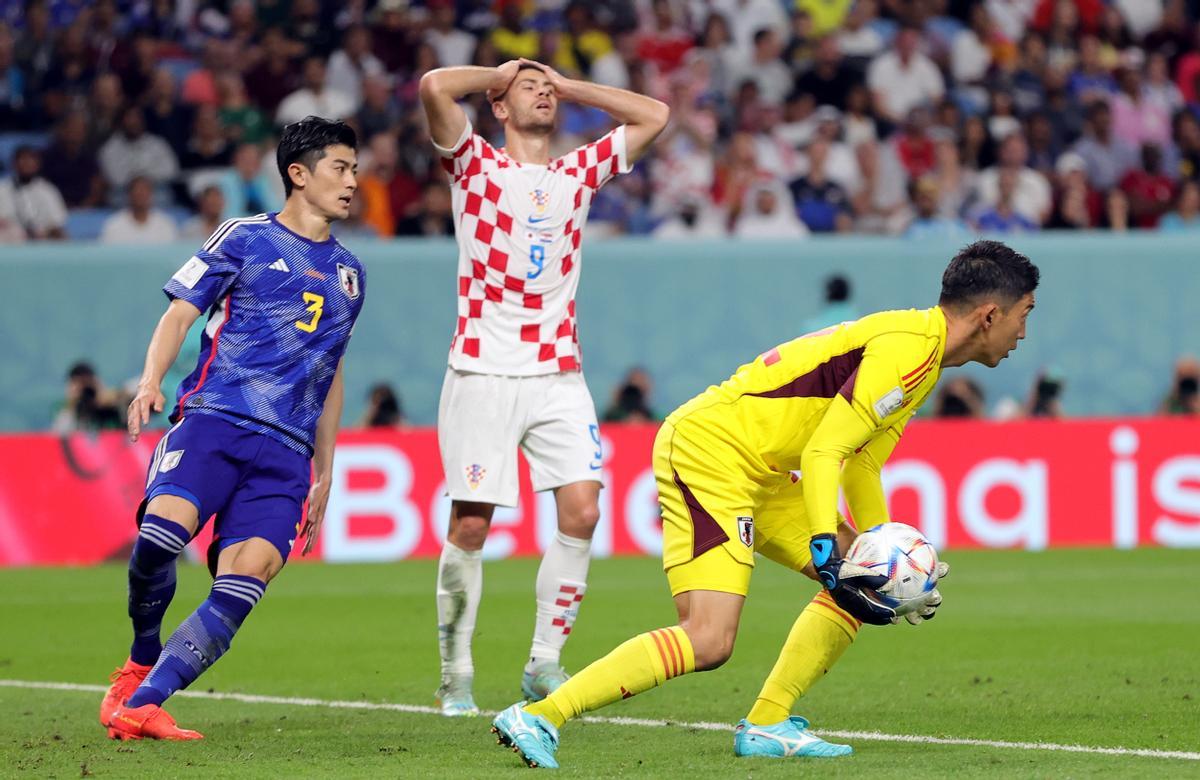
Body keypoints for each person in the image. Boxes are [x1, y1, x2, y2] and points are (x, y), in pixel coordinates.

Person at [490, 240, 1039, 768]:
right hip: (712, 451)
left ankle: (769, 723)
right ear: (989, 315)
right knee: (708, 639)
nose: (1023, 331)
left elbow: (861, 465)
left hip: (767, 469)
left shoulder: (925, 359)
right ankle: (539, 715)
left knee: (866, 581)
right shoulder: (906, 348)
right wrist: (827, 540)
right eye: (1024, 313)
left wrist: (895, 559)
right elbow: (826, 452)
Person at [99, 116, 365, 741]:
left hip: (288, 456)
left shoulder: (351, 273)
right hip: (216, 422)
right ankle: (140, 657)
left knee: (247, 580)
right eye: (341, 168)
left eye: (355, 169)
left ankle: (143, 702)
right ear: (298, 175)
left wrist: (326, 469)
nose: (353, 182)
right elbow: (180, 313)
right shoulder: (244, 237)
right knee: (161, 538)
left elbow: (332, 372)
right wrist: (149, 380)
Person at [419, 57, 668, 716]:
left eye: (546, 87)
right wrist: (499, 71)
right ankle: (455, 676)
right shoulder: (473, 163)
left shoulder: (576, 172)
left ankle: (542, 665)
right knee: (471, 524)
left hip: (558, 369)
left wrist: (569, 85)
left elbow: (655, 115)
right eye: (527, 87)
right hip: (483, 367)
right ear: (498, 105)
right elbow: (434, 87)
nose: (541, 91)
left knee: (583, 511)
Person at [99, 177, 180, 245]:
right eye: (137, 193)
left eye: (144, 192)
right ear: (129, 195)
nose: (140, 195)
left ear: (151, 195)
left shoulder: (165, 224)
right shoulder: (113, 225)